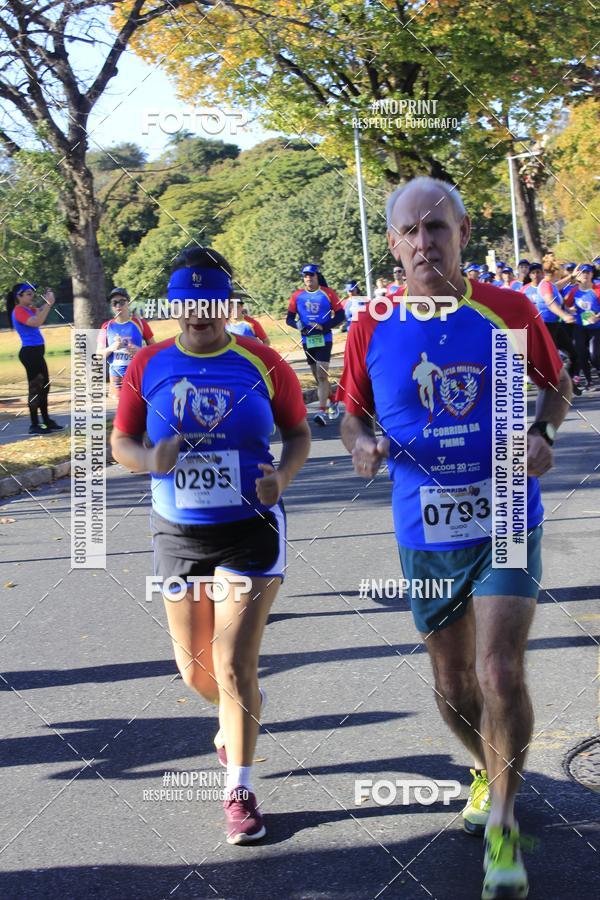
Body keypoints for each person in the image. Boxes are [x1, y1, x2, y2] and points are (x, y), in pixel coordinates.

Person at [337, 176, 571, 900]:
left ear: (464, 233)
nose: (423, 242)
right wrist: (359, 445)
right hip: (426, 522)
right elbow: (350, 414)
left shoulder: (507, 310)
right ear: (392, 243)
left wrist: (541, 430)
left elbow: (555, 386)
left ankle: (503, 822)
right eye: (409, 230)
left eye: (437, 227)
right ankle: (485, 767)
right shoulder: (371, 323)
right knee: (453, 681)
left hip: (505, 506)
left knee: (500, 671)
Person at [111, 246, 311, 845]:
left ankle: (240, 791)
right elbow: (120, 442)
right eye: (187, 301)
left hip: (251, 529)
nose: (199, 313)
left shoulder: (263, 360)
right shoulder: (146, 365)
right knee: (197, 671)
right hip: (177, 532)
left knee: (231, 664)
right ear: (174, 305)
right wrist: (149, 457)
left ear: (227, 304)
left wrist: (283, 477)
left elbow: (298, 432)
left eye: (210, 301)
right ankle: (237, 710)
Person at [286, 263, 345, 425]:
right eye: (305, 275)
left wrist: (324, 326)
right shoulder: (297, 295)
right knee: (318, 376)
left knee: (321, 373)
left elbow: (341, 315)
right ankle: (332, 399)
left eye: (311, 275)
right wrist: (300, 327)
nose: (308, 278)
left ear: (317, 276)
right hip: (308, 339)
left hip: (324, 338)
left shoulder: (328, 293)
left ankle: (321, 411)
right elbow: (289, 318)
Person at [6, 282, 64, 434]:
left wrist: (46, 301)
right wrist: (49, 304)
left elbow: (39, 312)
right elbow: (36, 321)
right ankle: (34, 425)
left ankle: (46, 421)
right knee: (35, 388)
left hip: (37, 353)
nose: (32, 296)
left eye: (33, 293)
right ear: (19, 296)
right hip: (30, 353)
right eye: (29, 293)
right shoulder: (18, 310)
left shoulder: (28, 309)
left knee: (45, 386)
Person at [97, 288, 154, 399]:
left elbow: (155, 350)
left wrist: (141, 351)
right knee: (120, 413)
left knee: (140, 411)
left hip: (137, 376)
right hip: (116, 380)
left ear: (128, 303)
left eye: (122, 302)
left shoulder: (140, 323)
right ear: (111, 306)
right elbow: (98, 355)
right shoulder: (106, 326)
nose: (118, 305)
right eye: (114, 303)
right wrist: (112, 348)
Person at [564, 264, 600, 386]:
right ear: (578, 275)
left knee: (594, 356)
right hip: (579, 327)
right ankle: (589, 381)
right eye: (582, 272)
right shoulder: (574, 290)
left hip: (596, 328)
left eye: (588, 272)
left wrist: (597, 317)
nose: (585, 274)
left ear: (591, 274)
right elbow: (565, 305)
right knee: (581, 354)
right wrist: (570, 311)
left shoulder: (597, 289)